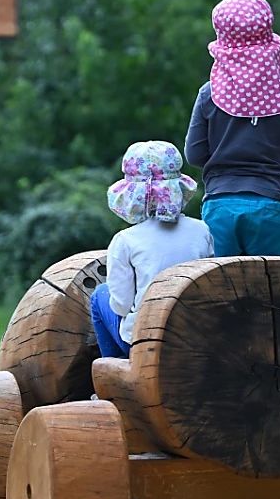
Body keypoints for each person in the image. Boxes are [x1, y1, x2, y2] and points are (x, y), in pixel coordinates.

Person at [185, 0, 280, 257]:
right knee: (266, 291)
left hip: (220, 205)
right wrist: (276, 153)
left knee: (221, 291)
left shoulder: (208, 94)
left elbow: (195, 154)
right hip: (271, 204)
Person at [90, 141, 214, 359]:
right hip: (197, 336)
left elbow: (120, 306)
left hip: (146, 344)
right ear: (177, 188)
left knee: (100, 295)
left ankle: (117, 370)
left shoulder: (125, 240)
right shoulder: (202, 230)